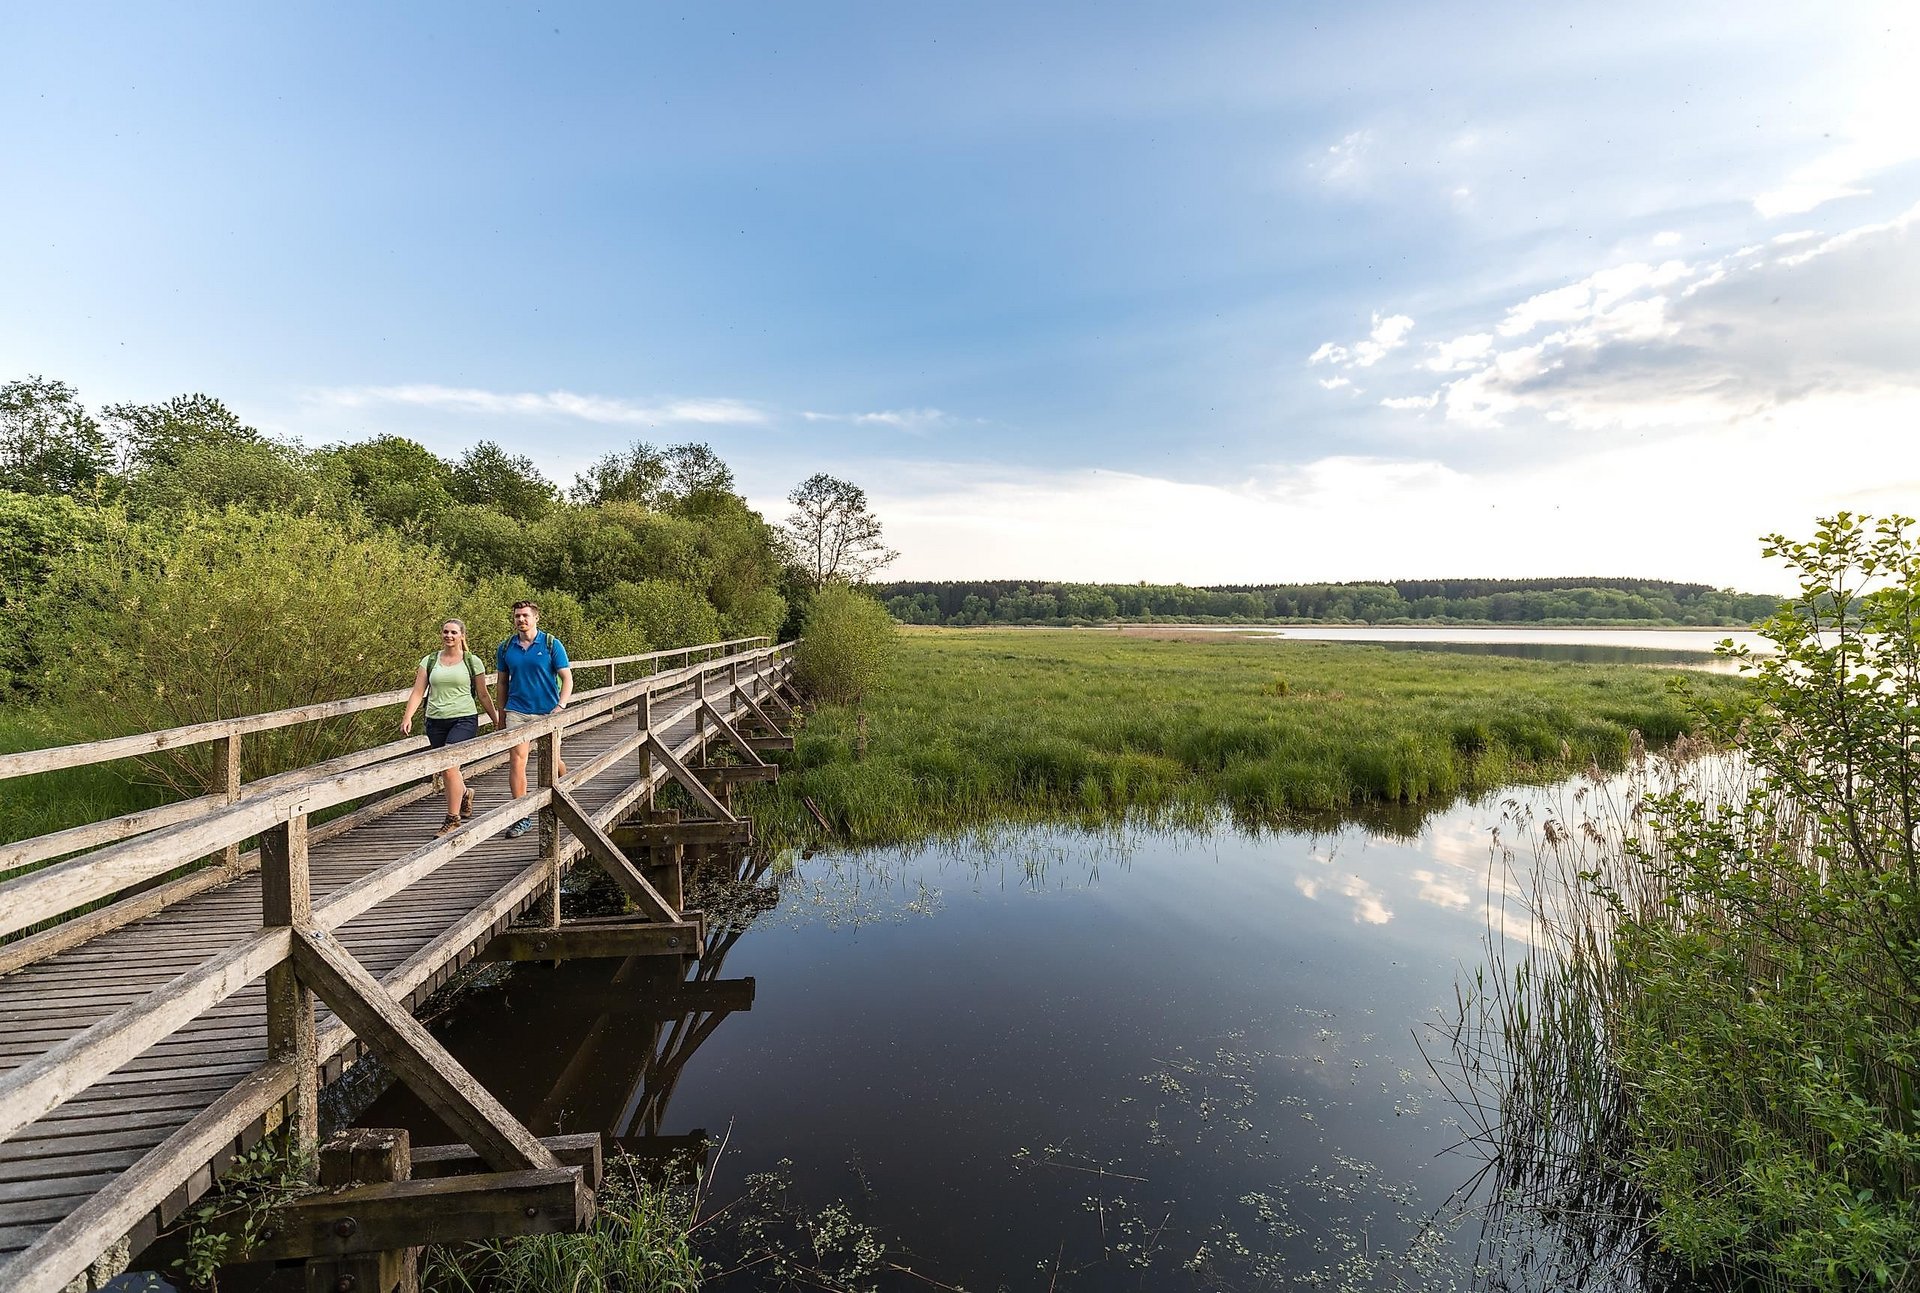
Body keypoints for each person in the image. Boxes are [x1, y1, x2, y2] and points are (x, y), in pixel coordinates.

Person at [400, 618, 501, 837]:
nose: (449, 636)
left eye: (454, 632)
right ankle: (464, 793)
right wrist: (407, 716)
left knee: (448, 766)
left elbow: (483, 694)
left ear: (462, 635)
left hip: (463, 718)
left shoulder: (472, 661)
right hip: (435, 720)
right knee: (448, 770)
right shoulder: (429, 661)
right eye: (446, 632)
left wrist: (495, 718)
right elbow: (418, 692)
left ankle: (452, 819)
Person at [495, 599, 573, 838]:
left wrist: (560, 706)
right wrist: (501, 714)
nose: (521, 620)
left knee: (553, 760)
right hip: (517, 711)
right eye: (517, 616)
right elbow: (501, 683)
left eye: (525, 615)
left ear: (535, 618)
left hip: (547, 711)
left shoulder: (551, 644)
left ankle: (565, 790)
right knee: (517, 761)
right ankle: (522, 816)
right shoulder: (506, 647)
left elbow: (567, 678)